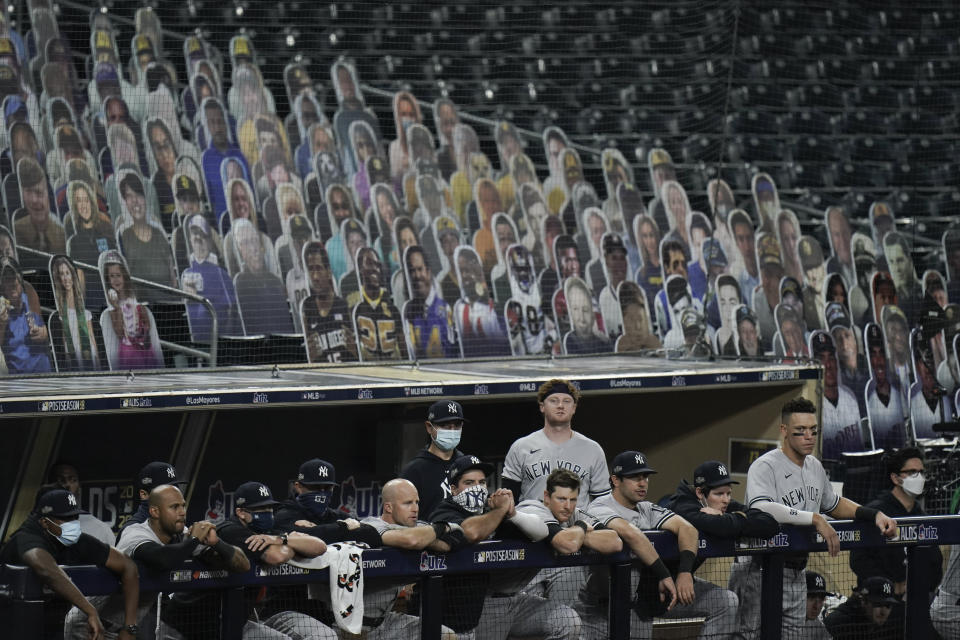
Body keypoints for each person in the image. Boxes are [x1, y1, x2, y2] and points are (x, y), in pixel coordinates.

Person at [728, 397, 898, 639]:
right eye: (800, 431)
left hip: (797, 571)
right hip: (760, 570)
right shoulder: (765, 466)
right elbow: (762, 507)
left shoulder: (814, 467)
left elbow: (835, 504)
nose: (808, 436)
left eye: (813, 431)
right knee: (748, 637)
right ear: (784, 431)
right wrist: (815, 519)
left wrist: (874, 514)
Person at [429, 454, 581, 640]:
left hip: (506, 601)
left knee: (567, 620)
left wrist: (513, 513)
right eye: (469, 482)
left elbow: (541, 532)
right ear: (453, 489)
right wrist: (500, 510)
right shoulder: (444, 511)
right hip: (457, 613)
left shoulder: (489, 512)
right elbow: (472, 532)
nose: (477, 488)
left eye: (482, 482)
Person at [576, 451, 707, 639]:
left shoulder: (647, 508)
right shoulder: (599, 507)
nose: (643, 483)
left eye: (645, 477)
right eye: (634, 478)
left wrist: (684, 572)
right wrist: (664, 575)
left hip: (633, 608)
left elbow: (688, 529)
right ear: (615, 480)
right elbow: (631, 534)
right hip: (595, 610)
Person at [0, 489, 140, 640]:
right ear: (45, 522)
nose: (72, 523)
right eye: (65, 519)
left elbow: (128, 566)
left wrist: (129, 628)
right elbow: (46, 570)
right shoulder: (26, 538)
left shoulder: (72, 540)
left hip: (50, 623)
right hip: (10, 622)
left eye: (74, 516)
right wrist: (90, 611)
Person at [115, 484, 250, 638]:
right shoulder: (135, 534)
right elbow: (162, 559)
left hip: (125, 625)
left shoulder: (183, 537)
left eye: (183, 506)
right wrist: (194, 539)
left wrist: (217, 542)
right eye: (174, 507)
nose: (182, 512)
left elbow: (243, 565)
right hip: (94, 621)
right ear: (154, 511)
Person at [214, 481, 337, 640]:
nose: (268, 513)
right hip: (213, 620)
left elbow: (319, 546)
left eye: (270, 508)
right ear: (241, 512)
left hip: (244, 616)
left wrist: (282, 539)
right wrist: (290, 543)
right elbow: (276, 556)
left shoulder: (268, 532)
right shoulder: (230, 530)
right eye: (260, 509)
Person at [849, 447, 942, 633]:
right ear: (895, 478)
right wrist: (891, 586)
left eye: (922, 472)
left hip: (916, 605)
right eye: (912, 472)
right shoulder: (876, 512)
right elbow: (858, 560)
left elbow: (936, 564)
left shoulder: (923, 516)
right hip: (879, 606)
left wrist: (917, 586)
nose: (919, 477)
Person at [358, 479, 459, 639]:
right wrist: (436, 531)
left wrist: (426, 538)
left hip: (386, 622)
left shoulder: (416, 527)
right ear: (388, 507)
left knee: (447, 636)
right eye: (407, 503)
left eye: (416, 502)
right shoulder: (369, 527)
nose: (415, 509)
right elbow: (411, 540)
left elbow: (446, 544)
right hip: (354, 625)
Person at [502, 379, 610, 509]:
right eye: (553, 400)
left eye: (566, 401)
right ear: (542, 406)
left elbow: (602, 503)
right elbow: (508, 499)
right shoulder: (521, 447)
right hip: (532, 524)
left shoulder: (593, 449)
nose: (560, 405)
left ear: (574, 408)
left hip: (578, 525)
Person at [663, 459, 778, 543]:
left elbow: (770, 523)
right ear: (699, 493)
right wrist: (733, 518)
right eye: (719, 494)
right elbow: (721, 526)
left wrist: (725, 516)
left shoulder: (721, 505)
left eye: (728, 493)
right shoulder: (682, 508)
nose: (726, 500)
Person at [273, 458, 381, 546]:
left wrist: (323, 531)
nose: (322, 492)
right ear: (298, 487)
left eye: (328, 487)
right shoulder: (284, 514)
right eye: (315, 487)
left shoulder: (337, 515)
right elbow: (307, 539)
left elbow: (372, 535)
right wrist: (343, 527)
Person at [400, 399, 467, 519]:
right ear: (429, 427)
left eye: (457, 425)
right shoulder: (414, 471)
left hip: (464, 534)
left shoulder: (467, 465)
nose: (452, 431)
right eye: (445, 425)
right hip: (430, 535)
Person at [117, 172, 178, 298]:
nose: (135, 201)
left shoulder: (159, 233)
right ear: (125, 202)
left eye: (139, 195)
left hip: (171, 304)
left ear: (145, 199)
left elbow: (173, 277)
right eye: (129, 196)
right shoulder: (124, 236)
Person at [99, 251, 163, 369]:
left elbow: (147, 325)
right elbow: (119, 333)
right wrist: (117, 308)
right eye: (112, 276)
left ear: (124, 276)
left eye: (118, 275)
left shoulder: (136, 302)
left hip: (144, 346)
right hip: (129, 350)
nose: (116, 280)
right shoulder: (113, 310)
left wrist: (140, 315)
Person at [233, 218, 296, 335]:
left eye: (254, 240)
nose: (253, 248)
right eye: (246, 243)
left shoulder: (275, 282)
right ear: (239, 251)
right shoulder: (240, 285)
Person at [809, 330, 864, 459]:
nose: (828, 365)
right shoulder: (811, 407)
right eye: (821, 359)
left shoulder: (850, 398)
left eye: (831, 357)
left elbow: (860, 448)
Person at [300, 241, 355, 362]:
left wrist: (355, 351)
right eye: (311, 270)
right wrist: (310, 358)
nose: (315, 277)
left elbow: (357, 355)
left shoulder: (344, 307)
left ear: (329, 272)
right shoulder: (307, 310)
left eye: (319, 269)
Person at [352, 246, 408, 361]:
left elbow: (404, 352)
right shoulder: (354, 306)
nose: (375, 269)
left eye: (378, 265)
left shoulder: (392, 307)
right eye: (370, 263)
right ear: (360, 269)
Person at [403, 244, 458, 359]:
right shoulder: (408, 312)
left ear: (428, 271)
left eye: (420, 269)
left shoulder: (446, 306)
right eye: (412, 271)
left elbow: (454, 351)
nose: (417, 275)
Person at [0, 260, 52, 373]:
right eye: (6, 279)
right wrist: (2, 324)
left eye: (13, 278)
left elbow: (46, 328)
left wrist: (44, 333)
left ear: (20, 280)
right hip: (21, 380)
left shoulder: (29, 294)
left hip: (45, 374)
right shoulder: (2, 310)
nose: (12, 283)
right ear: (2, 286)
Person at [46, 461, 115, 546]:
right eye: (61, 480)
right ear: (48, 486)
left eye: (73, 480)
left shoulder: (100, 529)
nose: (67, 485)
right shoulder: (37, 527)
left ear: (79, 487)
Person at [14, 157, 65, 269]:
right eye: (28, 192)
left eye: (39, 192)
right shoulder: (16, 233)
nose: (34, 200)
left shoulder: (61, 235)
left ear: (47, 193)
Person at [824, 576, 901, 640]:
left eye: (888, 606)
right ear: (863, 601)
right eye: (878, 604)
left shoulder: (891, 626)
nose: (883, 612)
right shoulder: (840, 624)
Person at [802, 571, 833, 639]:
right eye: (812, 597)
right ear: (800, 596)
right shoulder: (783, 622)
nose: (816, 606)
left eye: (821, 599)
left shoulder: (817, 625)